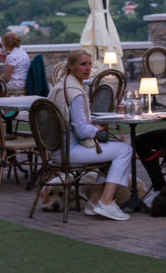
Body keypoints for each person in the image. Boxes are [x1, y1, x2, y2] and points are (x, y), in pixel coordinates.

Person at [48, 49, 133, 221]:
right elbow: (81, 131)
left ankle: (93, 202)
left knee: (111, 153)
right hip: (69, 151)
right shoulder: (76, 93)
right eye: (83, 64)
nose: (88, 68)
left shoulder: (61, 86)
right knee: (125, 150)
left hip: (55, 149)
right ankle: (107, 202)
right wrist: (96, 129)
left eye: (89, 64)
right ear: (71, 66)